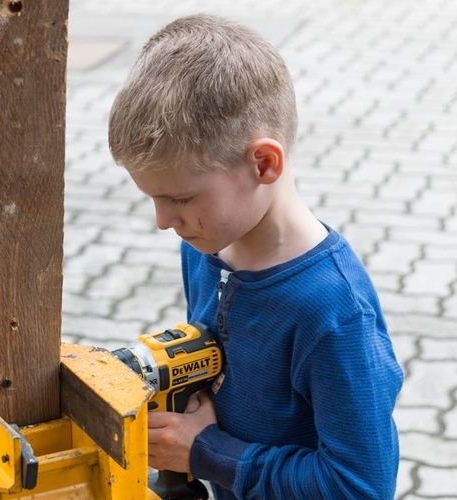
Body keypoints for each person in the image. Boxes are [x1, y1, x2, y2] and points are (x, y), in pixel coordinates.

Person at [108, 14, 403, 499]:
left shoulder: (333, 311)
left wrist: (207, 452)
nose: (162, 221)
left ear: (264, 163)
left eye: (180, 199)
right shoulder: (206, 248)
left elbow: (361, 485)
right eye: (152, 199)